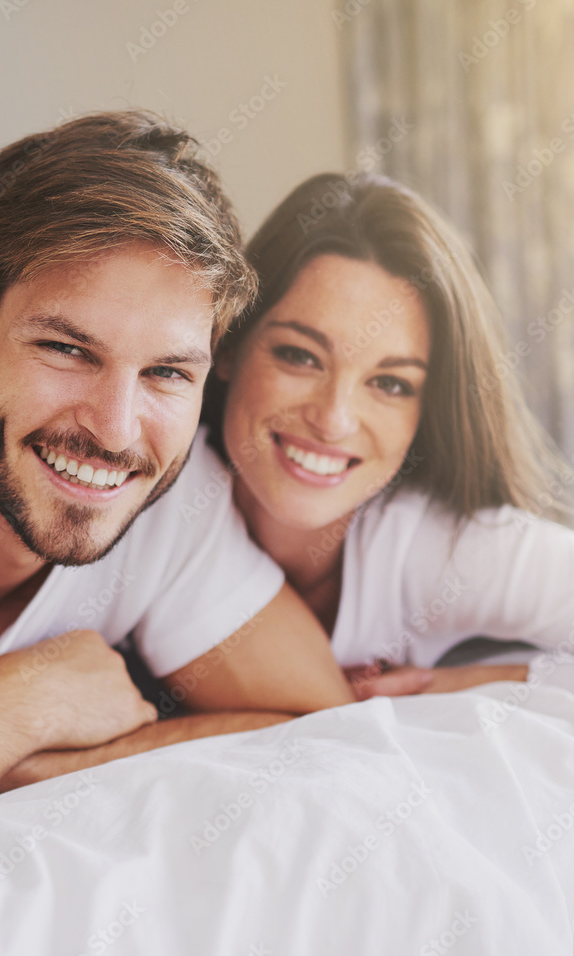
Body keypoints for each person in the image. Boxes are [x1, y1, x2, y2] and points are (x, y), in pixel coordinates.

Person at [0, 114, 354, 877]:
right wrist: (15, 706)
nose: (117, 432)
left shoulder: (166, 496)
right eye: (66, 349)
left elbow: (319, 725)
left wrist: (3, 749)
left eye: (167, 373)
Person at [200, 171, 574, 699]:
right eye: (300, 356)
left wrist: (476, 680)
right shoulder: (151, 495)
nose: (334, 418)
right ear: (230, 345)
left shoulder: (441, 549)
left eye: (391, 384)